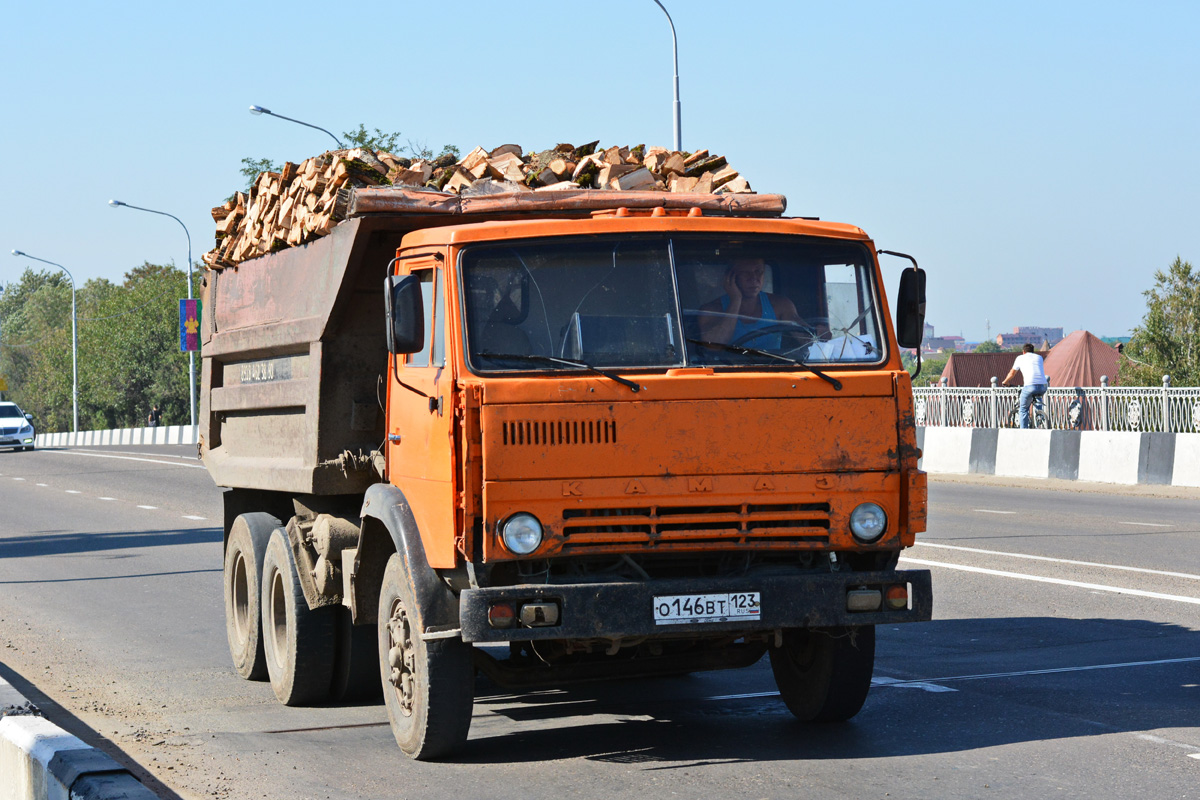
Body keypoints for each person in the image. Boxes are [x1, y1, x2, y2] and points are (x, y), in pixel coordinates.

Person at [698, 257, 807, 351]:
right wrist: (735, 300)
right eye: (745, 273)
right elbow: (713, 346)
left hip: (773, 371)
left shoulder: (780, 305)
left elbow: (806, 337)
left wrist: (819, 333)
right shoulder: (711, 310)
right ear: (730, 277)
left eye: (758, 271)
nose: (754, 278)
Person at [1002, 344, 1048, 428]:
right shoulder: (1039, 357)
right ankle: (1040, 417)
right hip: (1043, 386)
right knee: (1037, 397)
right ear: (1033, 351)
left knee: (1023, 410)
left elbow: (1012, 373)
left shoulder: (1020, 358)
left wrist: (1005, 381)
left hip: (1030, 386)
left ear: (1023, 352)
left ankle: (1023, 431)